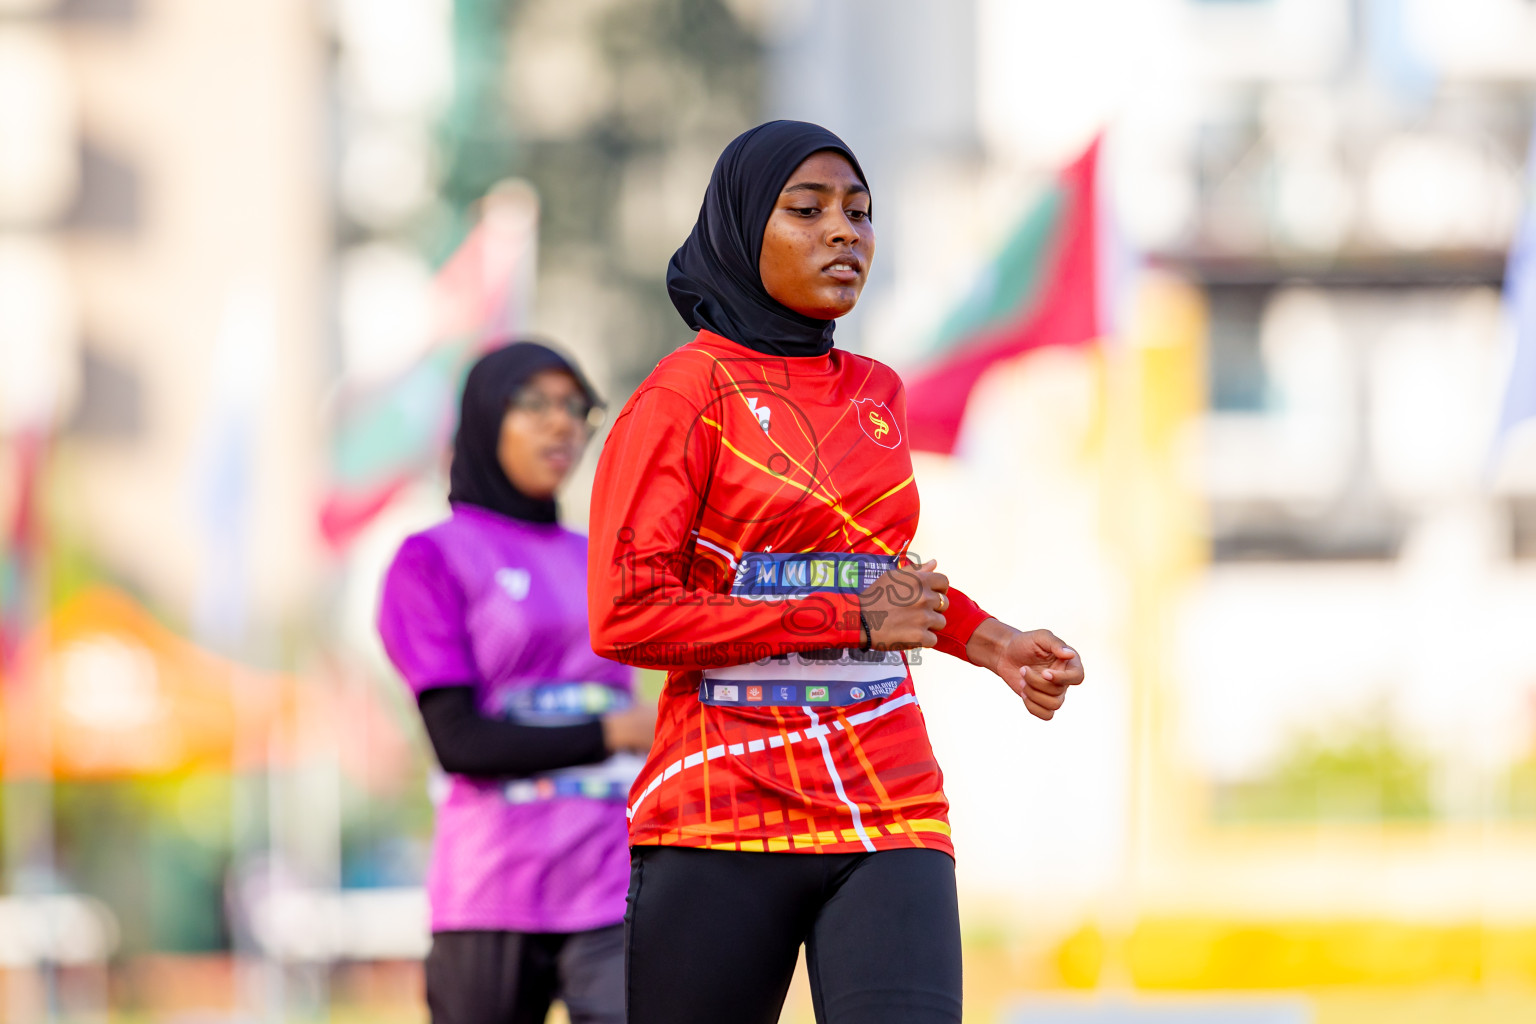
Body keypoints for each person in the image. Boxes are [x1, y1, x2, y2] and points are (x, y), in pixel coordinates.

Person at [586, 121, 1086, 1024]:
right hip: (721, 807)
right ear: (743, 227)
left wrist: (997, 643)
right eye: (807, 211)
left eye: (860, 213)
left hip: (886, 799)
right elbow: (627, 615)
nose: (844, 233)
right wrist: (841, 615)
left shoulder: (876, 391)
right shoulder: (681, 397)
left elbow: (884, 577)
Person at [378, 341, 655, 1024]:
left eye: (575, 407)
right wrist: (620, 730)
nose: (562, 424)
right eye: (535, 403)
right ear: (481, 418)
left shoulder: (603, 562)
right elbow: (460, 741)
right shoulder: (432, 560)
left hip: (609, 884)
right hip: (492, 892)